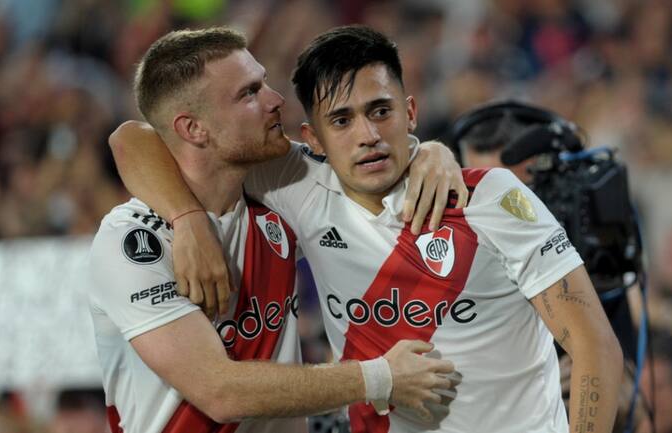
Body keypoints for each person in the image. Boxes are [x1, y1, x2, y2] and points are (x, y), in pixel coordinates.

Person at [111, 25, 623, 433]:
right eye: (342, 120)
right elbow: (133, 138)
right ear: (312, 137)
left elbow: (595, 346)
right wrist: (188, 219)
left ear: (410, 113)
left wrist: (436, 152)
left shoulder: (491, 199)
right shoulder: (298, 184)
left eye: (381, 111)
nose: (369, 136)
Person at [90, 27, 464, 433]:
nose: (275, 100)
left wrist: (428, 151)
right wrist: (380, 377)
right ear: (194, 129)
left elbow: (378, 159)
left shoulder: (279, 193)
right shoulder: (132, 242)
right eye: (249, 93)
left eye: (264, 82)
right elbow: (220, 392)